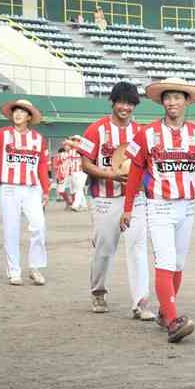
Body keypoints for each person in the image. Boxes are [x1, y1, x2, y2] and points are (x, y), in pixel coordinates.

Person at [120, 78, 195, 343]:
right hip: (159, 206)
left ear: (187, 101)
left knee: (177, 263)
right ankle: (174, 321)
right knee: (165, 261)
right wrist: (129, 207)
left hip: (187, 206)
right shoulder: (147, 133)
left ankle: (166, 312)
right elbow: (134, 172)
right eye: (168, 98)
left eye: (178, 97)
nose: (172, 102)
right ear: (162, 102)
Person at [78, 81, 154, 320]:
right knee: (104, 247)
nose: (125, 107)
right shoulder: (96, 129)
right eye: (121, 102)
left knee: (138, 247)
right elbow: (85, 164)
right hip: (104, 197)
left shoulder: (141, 133)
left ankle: (141, 302)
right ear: (113, 102)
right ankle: (98, 292)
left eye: (130, 103)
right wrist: (111, 174)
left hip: (135, 198)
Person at [0, 100, 50, 287]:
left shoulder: (38, 139)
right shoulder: (2, 134)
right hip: (9, 188)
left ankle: (35, 267)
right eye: (15, 111)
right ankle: (14, 271)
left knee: (39, 226)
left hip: (32, 189)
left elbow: (41, 164)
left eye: (22, 112)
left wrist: (46, 189)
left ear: (29, 117)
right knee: (11, 230)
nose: (18, 114)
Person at [65, 136, 88, 212]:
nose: (74, 142)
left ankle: (75, 205)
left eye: (76, 140)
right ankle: (84, 205)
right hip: (74, 172)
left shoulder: (82, 149)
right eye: (73, 140)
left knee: (79, 188)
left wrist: (75, 139)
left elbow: (81, 143)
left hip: (82, 172)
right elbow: (67, 146)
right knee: (78, 189)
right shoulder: (71, 151)